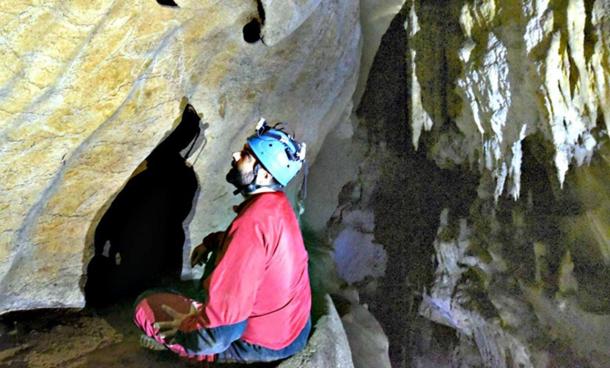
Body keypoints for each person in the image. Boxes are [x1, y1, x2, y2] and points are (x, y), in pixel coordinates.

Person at [133, 119, 311, 364]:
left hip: (262, 344)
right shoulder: (277, 206)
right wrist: (211, 243)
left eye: (247, 155)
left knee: (146, 304)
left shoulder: (252, 224)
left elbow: (222, 331)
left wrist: (186, 329)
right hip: (294, 329)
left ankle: (212, 356)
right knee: (213, 280)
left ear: (266, 173)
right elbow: (258, 253)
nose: (237, 155)